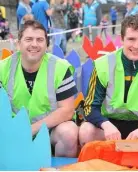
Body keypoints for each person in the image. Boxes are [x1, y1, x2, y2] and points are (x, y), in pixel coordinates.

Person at [79, 15, 138, 145]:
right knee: (86, 130)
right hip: (110, 125)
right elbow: (90, 107)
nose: (136, 45)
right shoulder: (103, 65)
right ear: (122, 39)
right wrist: (105, 125)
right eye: (131, 39)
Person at [0, 20, 79, 157]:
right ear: (18, 44)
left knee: (69, 132)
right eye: (29, 39)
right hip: (12, 130)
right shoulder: (3, 68)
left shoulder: (59, 68)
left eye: (40, 40)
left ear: (46, 45)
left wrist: (32, 129)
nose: (34, 44)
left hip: (49, 129)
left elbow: (67, 110)